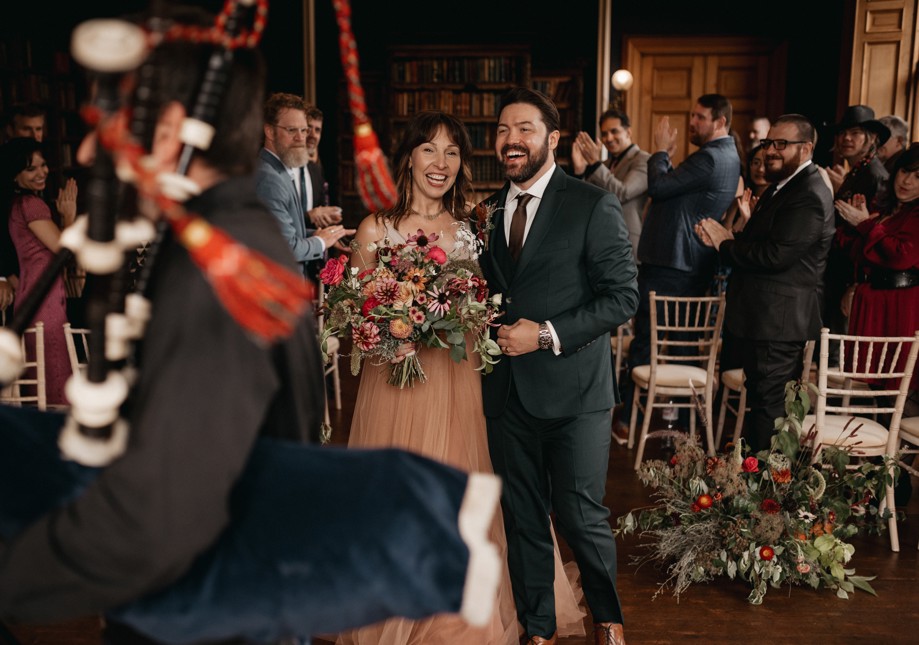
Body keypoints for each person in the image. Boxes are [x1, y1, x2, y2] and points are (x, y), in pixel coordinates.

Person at [337, 109, 586, 645]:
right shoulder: (375, 229)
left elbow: (491, 306)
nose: (441, 162)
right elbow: (356, 317)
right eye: (429, 148)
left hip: (459, 386)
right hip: (396, 389)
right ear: (408, 157)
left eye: (452, 152)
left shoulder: (473, 230)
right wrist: (397, 326)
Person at [479, 87, 638, 645]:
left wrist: (546, 334)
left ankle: (608, 621)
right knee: (523, 517)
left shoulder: (592, 204)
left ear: (552, 138)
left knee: (580, 515)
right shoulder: (486, 210)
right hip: (505, 393)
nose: (511, 140)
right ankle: (538, 631)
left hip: (575, 393)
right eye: (503, 130)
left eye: (524, 129)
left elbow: (622, 297)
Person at [696, 114, 835, 452]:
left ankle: (766, 483)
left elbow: (775, 256)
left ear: (806, 149)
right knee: (761, 402)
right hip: (764, 318)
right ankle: (755, 478)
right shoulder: (781, 186)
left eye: (781, 144)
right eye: (769, 143)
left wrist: (725, 244)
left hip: (779, 322)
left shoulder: (809, 194)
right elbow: (763, 244)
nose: (771, 150)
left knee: (769, 411)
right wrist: (728, 238)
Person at [623, 94, 740, 429]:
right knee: (679, 345)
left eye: (700, 117)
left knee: (648, 341)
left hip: (673, 263)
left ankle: (631, 419)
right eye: (692, 115)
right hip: (686, 262)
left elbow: (659, 188)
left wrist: (660, 151)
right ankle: (680, 423)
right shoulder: (725, 155)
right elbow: (681, 195)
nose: (692, 122)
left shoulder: (710, 157)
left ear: (720, 121)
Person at [0, 137, 76, 405]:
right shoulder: (31, 205)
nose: (41, 172)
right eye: (31, 168)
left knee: (41, 384)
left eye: (43, 165)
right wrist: (68, 215)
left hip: (32, 300)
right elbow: (64, 251)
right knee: (55, 384)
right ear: (15, 175)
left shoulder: (16, 205)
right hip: (44, 302)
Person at [255, 92, 351, 277]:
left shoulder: (278, 170)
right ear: (269, 131)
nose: (301, 138)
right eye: (291, 130)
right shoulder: (269, 179)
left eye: (304, 130)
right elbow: (285, 248)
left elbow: (286, 233)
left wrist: (327, 235)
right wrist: (321, 242)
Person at [822, 105, 890, 358]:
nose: (846, 138)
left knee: (836, 352)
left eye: (855, 133)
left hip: (852, 272)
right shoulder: (858, 170)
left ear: (871, 138)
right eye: (842, 133)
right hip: (839, 267)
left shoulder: (875, 175)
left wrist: (855, 283)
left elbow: (875, 228)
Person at [571, 108, 650, 262]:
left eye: (614, 131)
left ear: (628, 132)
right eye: (604, 133)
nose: (609, 138)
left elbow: (623, 192)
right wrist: (579, 171)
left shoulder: (644, 159)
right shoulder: (604, 165)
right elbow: (586, 200)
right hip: (600, 244)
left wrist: (595, 164)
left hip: (629, 245)